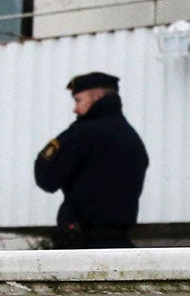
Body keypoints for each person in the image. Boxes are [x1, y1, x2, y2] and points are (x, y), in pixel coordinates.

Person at [33, 71, 149, 249]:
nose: (75, 109)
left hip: (80, 244)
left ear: (97, 96)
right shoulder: (131, 138)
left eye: (78, 100)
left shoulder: (82, 134)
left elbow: (47, 177)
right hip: (119, 244)